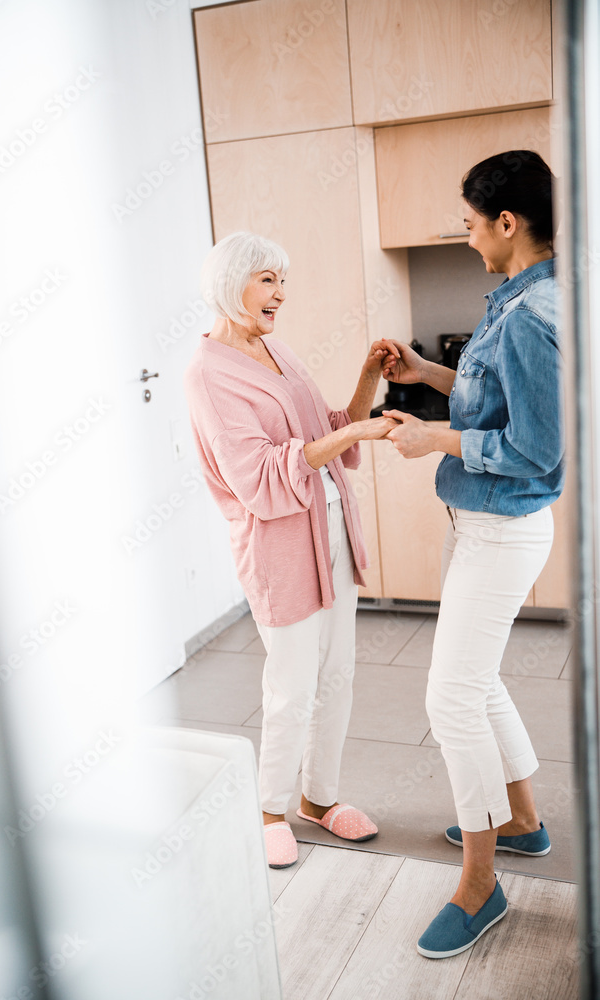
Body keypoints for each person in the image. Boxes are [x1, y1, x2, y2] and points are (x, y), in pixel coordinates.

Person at [378, 149, 564, 958]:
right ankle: (519, 821)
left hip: (502, 528)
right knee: (475, 682)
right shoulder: (522, 299)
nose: (465, 238)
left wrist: (432, 439)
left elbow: (535, 447)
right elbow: (497, 394)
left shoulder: (531, 315)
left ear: (506, 222)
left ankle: (481, 886)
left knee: (448, 700)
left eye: (467, 223)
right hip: (486, 526)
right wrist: (427, 372)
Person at [184, 231, 396, 868]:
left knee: (337, 675)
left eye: (282, 279)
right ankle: (271, 809)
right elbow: (259, 476)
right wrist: (357, 431)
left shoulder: (275, 347)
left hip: (331, 534)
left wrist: (364, 382)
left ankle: (319, 800)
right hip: (279, 547)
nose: (281, 294)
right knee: (292, 685)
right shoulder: (208, 373)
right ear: (233, 284)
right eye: (268, 280)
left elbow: (325, 432)